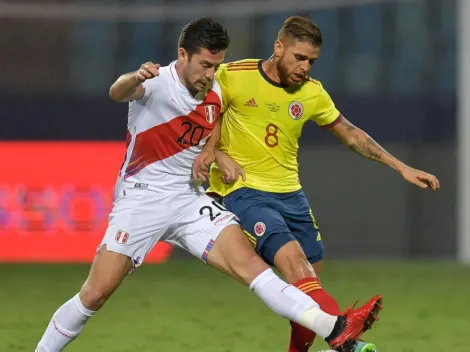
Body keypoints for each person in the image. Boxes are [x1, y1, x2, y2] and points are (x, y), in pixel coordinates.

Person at [34, 18, 382, 352]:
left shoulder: (215, 90)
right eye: (204, 65)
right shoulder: (156, 82)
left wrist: (219, 157)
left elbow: (212, 130)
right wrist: (134, 75)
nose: (210, 75)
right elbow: (117, 92)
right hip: (143, 200)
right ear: (182, 54)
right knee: (95, 293)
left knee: (256, 271)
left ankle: (337, 331)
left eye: (217, 66)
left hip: (189, 200)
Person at [194, 15, 439, 352]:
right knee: (296, 266)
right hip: (244, 192)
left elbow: (351, 134)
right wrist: (215, 153)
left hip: (291, 196)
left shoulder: (311, 93)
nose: (305, 66)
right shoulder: (234, 75)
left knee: (306, 287)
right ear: (279, 48)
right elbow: (206, 114)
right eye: (299, 57)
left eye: (312, 60)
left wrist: (400, 167)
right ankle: (348, 338)